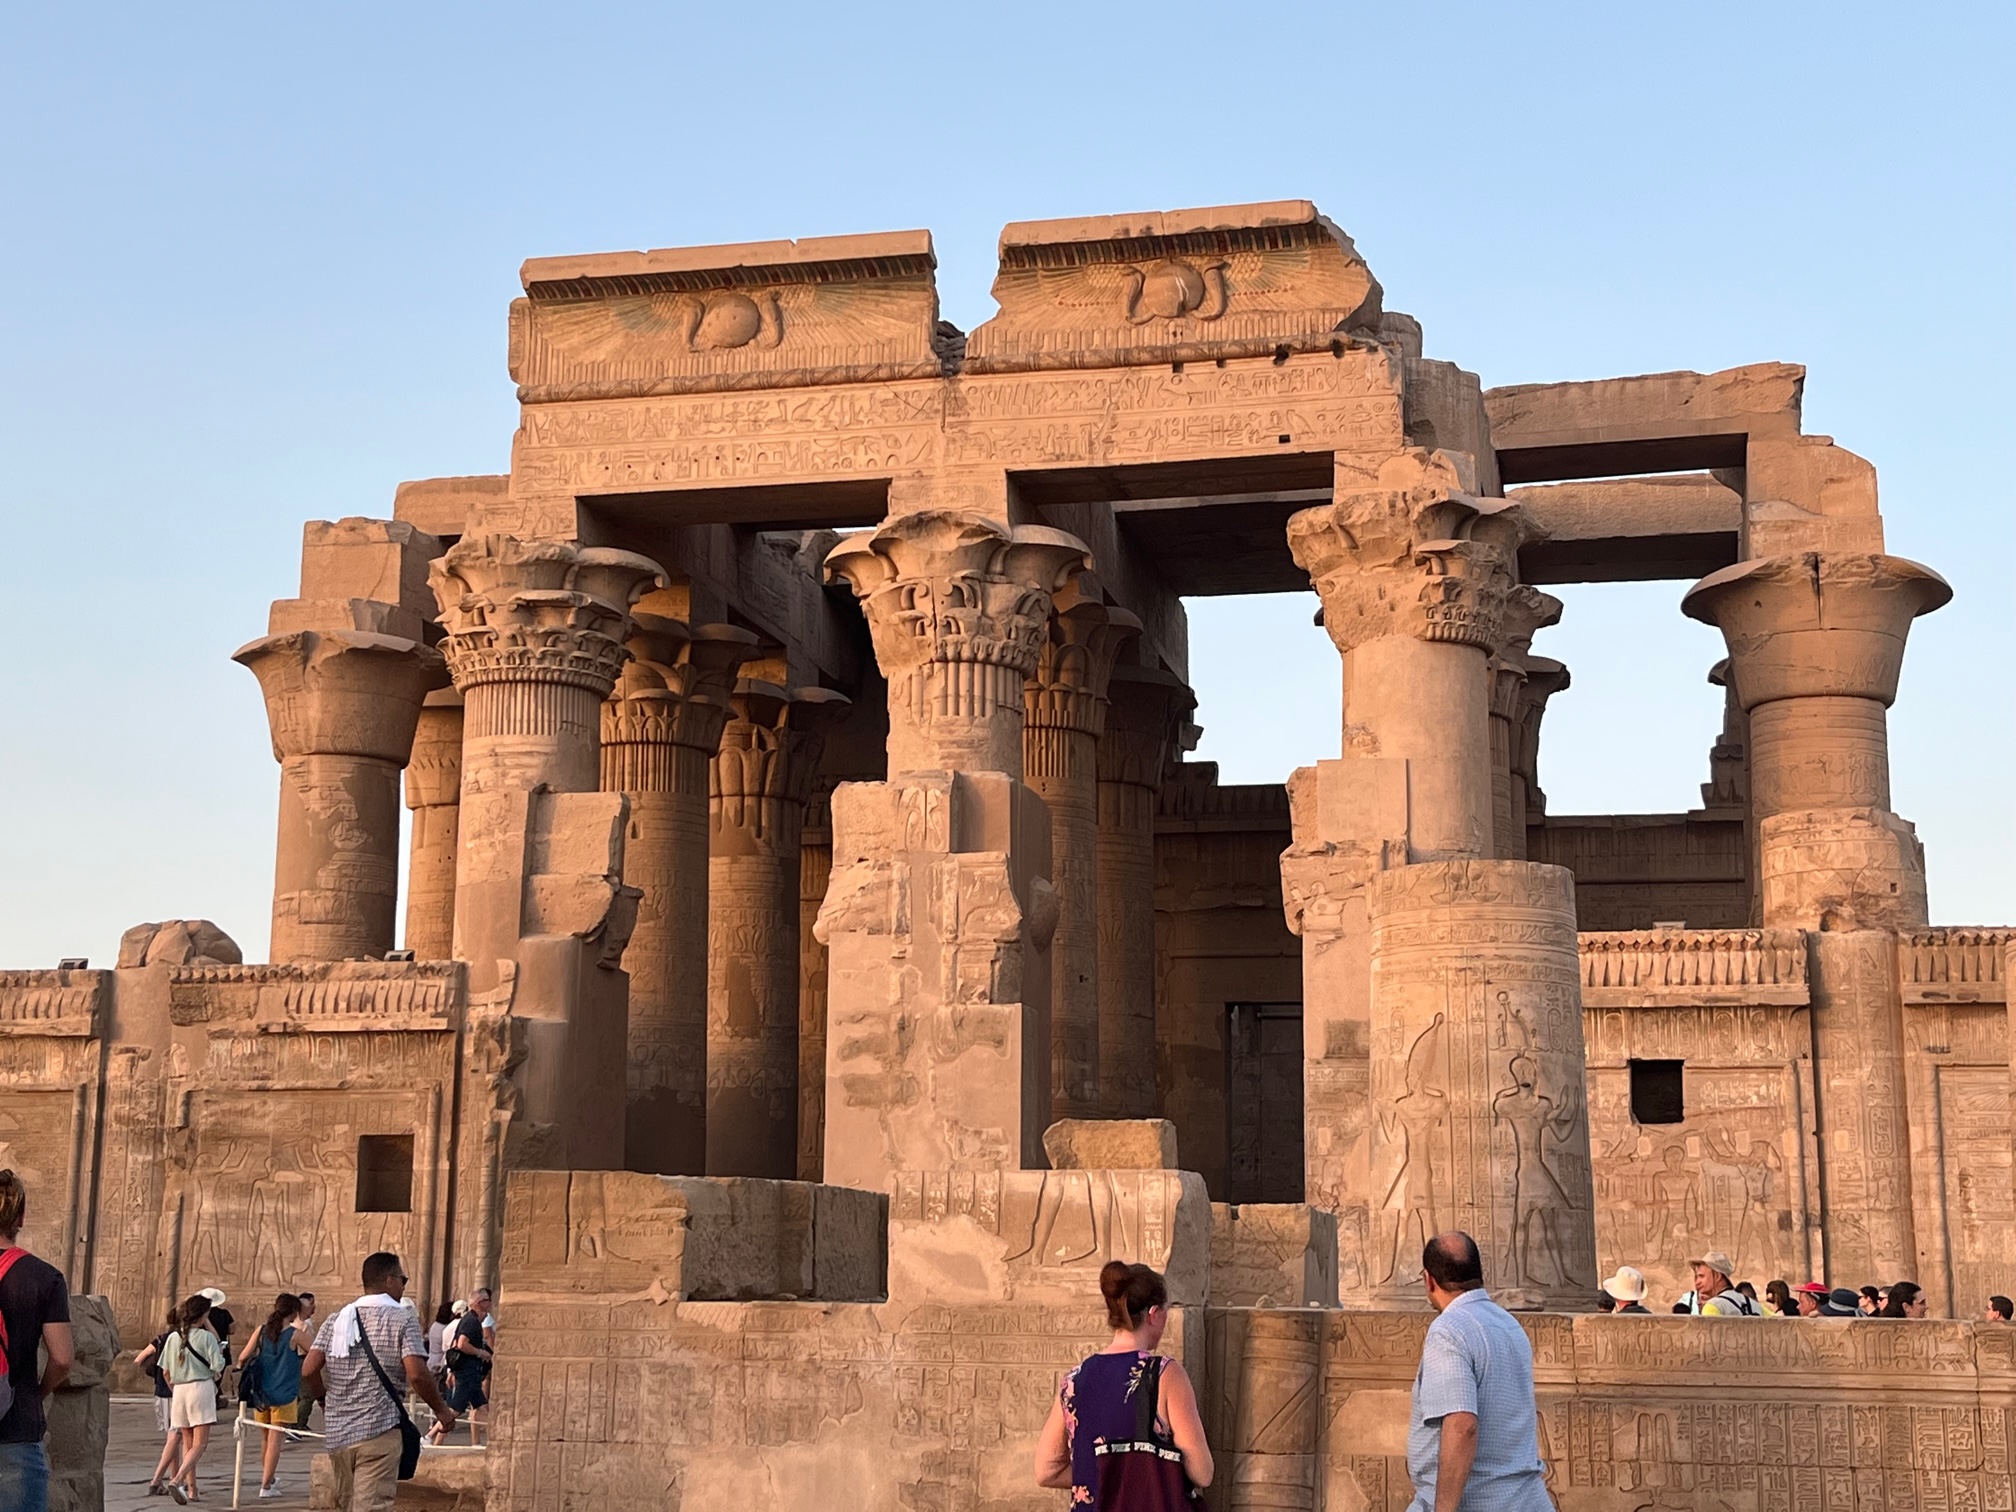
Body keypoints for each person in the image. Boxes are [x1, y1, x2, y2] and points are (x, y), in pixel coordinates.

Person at [1033, 1261, 1213, 1501]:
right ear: (1153, 1314)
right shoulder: (1165, 1374)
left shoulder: (1075, 1379)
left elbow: (1046, 1472)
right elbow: (1202, 1473)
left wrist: (1103, 1477)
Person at [1402, 1233, 1552, 1512]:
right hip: (1525, 1499)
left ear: (1429, 1280)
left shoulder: (1449, 1330)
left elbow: (1462, 1425)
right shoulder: (1508, 1324)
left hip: (1479, 1501)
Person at [302, 1252, 456, 1512]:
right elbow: (417, 1373)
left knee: (348, 1505)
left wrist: (324, 1399)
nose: (404, 1284)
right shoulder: (402, 1318)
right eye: (402, 1279)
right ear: (389, 1280)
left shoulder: (337, 1319)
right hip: (379, 1428)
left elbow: (308, 1370)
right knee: (372, 1506)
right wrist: (441, 1409)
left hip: (340, 1432)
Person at [0, 1171, 74, 1512]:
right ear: (21, 1217)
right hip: (15, 1424)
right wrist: (37, 1392)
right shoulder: (43, 1276)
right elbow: (61, 1358)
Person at [236, 1294, 307, 1499]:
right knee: (276, 1440)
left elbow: (243, 1356)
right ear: (294, 1313)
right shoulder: (295, 1334)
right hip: (285, 1391)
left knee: (266, 1439)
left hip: (262, 1393)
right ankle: (266, 1486)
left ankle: (269, 1478)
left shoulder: (261, 1331)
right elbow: (316, 1352)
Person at [160, 1293, 226, 1503]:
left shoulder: (173, 1337)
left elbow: (166, 1371)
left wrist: (174, 1389)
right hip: (200, 1387)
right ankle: (178, 1479)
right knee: (200, 1443)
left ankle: (192, 1490)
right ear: (204, 1314)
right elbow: (217, 1365)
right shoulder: (206, 1337)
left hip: (179, 1390)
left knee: (188, 1443)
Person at [134, 1306, 184, 1493]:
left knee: (173, 1437)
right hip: (175, 1391)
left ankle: (173, 1476)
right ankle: (158, 1480)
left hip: (160, 1394)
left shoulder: (161, 1338)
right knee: (175, 1436)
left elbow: (139, 1358)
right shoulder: (180, 1339)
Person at [435, 1289, 493, 1445]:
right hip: (467, 1372)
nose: (490, 1303)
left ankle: (488, 1440)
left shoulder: (471, 1320)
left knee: (481, 1407)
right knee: (455, 1410)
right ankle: (432, 1437)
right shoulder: (471, 1321)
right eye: (488, 1300)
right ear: (479, 1303)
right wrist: (481, 1353)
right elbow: (461, 1344)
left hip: (470, 1372)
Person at [1685, 1252, 1759, 1316]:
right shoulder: (1754, 1305)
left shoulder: (1712, 1306)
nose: (1697, 1282)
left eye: (1701, 1276)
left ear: (1717, 1276)